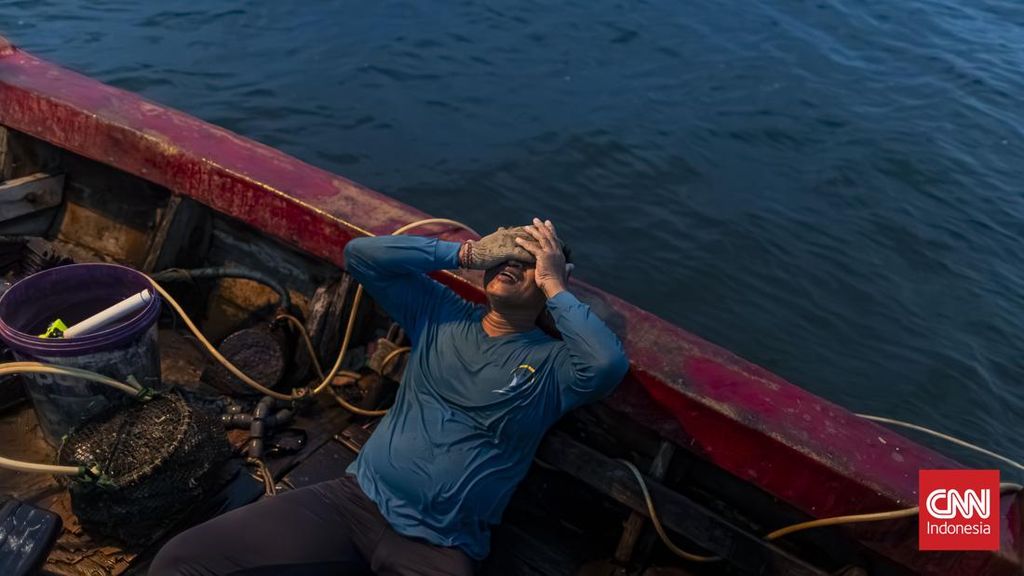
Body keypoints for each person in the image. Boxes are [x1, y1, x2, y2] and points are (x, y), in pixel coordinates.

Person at [150, 218, 629, 576]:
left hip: (440, 547)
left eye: (528, 262)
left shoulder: (554, 366)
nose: (512, 263)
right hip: (351, 502)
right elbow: (361, 255)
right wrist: (464, 254)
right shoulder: (441, 312)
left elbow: (607, 363)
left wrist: (555, 283)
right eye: (507, 252)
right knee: (180, 561)